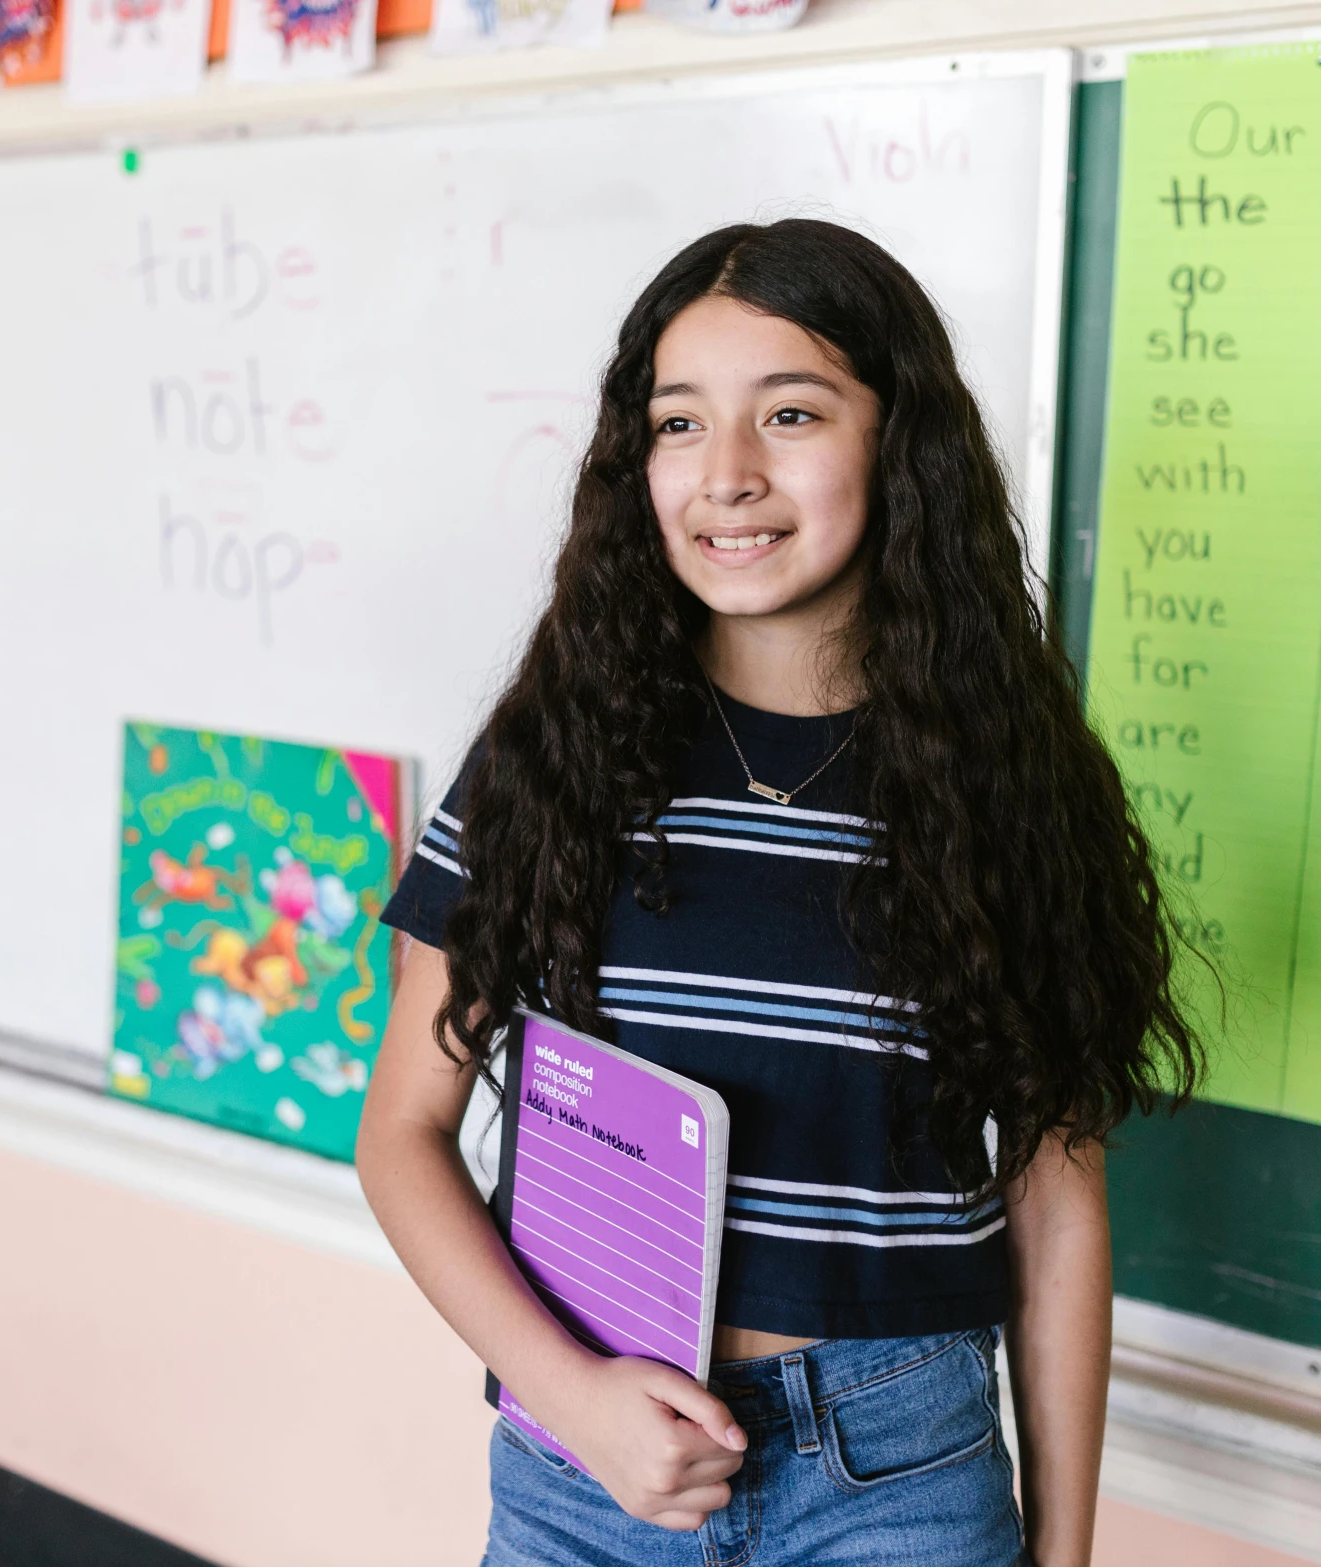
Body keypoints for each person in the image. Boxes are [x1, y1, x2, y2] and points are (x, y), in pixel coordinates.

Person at [355, 219, 1202, 1567]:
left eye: (790, 412)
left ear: (896, 438)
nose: (727, 474)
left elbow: (1055, 1206)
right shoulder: (550, 754)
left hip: (897, 1468)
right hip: (588, 1462)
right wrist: (576, 1398)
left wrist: (1065, 1554)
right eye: (678, 423)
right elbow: (399, 1131)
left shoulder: (1006, 782)